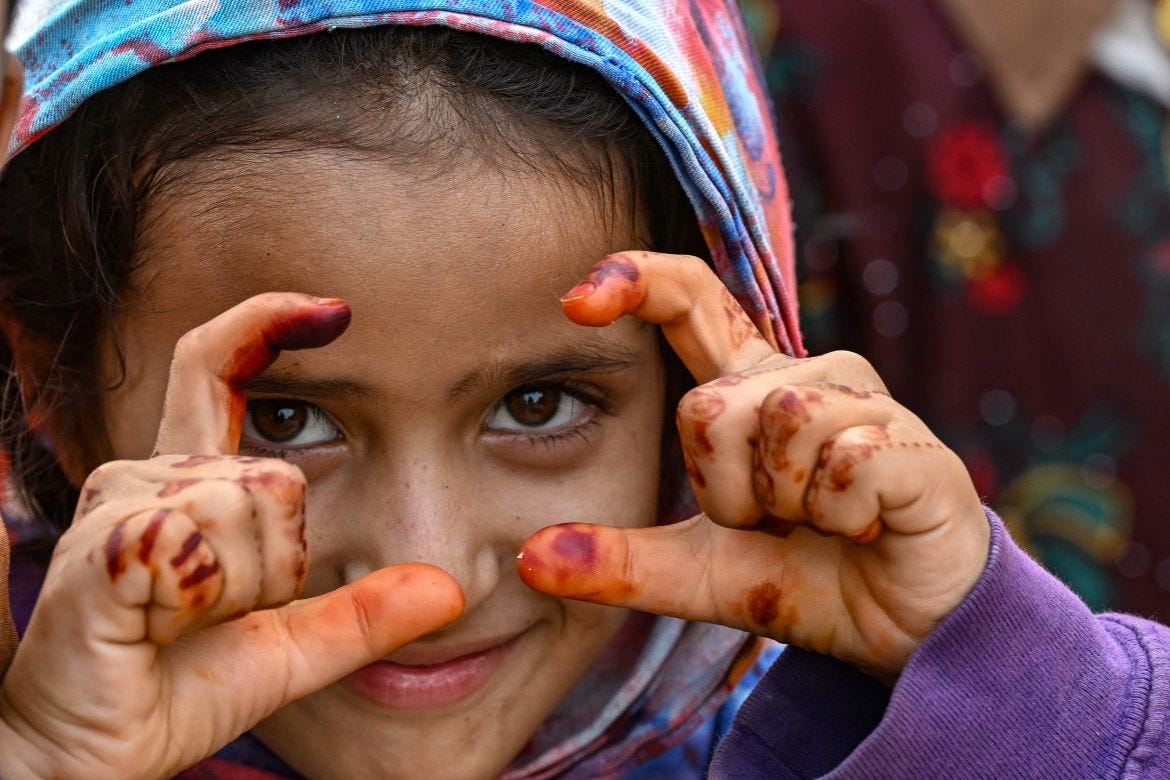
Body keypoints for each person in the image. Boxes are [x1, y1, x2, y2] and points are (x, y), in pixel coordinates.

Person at [0, 3, 1164, 780]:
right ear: (47, 385)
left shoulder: (837, 735)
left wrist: (1018, 681)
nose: (433, 576)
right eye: (288, 418)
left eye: (541, 404)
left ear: (702, 389)